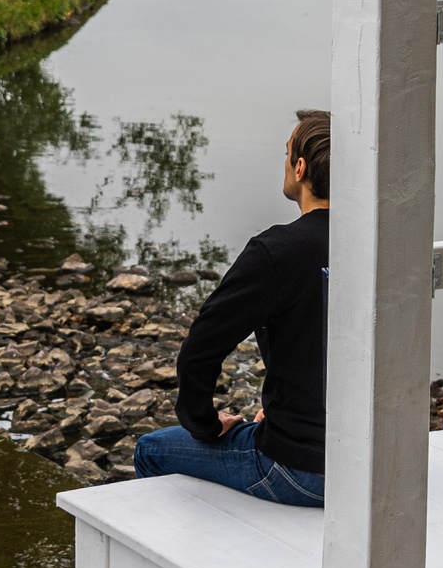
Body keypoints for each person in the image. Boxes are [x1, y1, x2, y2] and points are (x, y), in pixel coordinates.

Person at [131, 111, 329, 507]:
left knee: (151, 450)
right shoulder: (380, 244)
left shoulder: (276, 253)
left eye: (287, 153)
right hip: (378, 467)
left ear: (301, 167)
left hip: (303, 471)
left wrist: (203, 425)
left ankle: (190, 561)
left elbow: (199, 353)